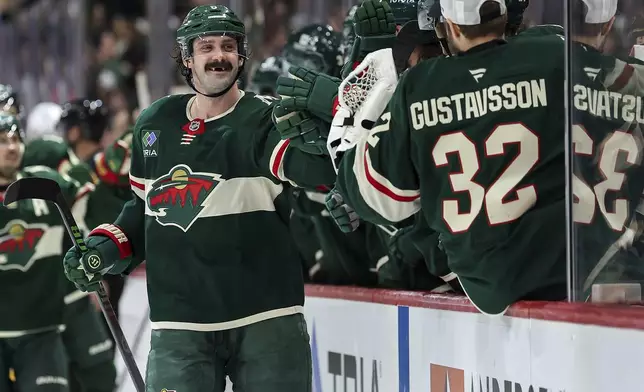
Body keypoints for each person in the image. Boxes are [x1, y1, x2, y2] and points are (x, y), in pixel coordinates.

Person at [62, 4, 336, 392]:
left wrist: (331, 132)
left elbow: (318, 173)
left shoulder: (266, 119)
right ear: (187, 58)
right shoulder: (155, 124)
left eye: (228, 45)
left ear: (241, 56)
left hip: (266, 322)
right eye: (206, 47)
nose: (218, 56)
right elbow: (144, 213)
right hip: (181, 327)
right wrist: (104, 248)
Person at [327, 0, 569, 315]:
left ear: (449, 25)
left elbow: (375, 195)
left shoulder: (420, 86)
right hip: (573, 270)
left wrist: (352, 130)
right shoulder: (553, 53)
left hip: (485, 285)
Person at [0, 112, 92, 392]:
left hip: (42, 331)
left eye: (16, 139)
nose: (12, 147)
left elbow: (86, 211)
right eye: (2, 141)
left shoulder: (46, 184)